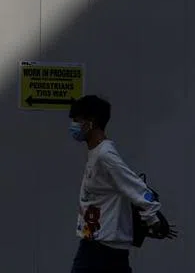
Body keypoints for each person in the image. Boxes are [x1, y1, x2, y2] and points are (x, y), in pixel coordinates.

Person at [67, 95, 164, 273]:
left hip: (101, 245)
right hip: (101, 241)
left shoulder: (105, 155)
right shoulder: (96, 153)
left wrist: (152, 216)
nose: (73, 125)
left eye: (77, 120)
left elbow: (133, 184)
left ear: (91, 122)